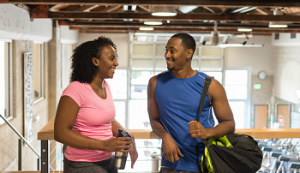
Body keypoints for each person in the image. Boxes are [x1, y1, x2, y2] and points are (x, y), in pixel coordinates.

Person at [147, 33, 235, 173]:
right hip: (171, 163)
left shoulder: (211, 85)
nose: (167, 55)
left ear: (188, 53)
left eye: (172, 50)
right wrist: (165, 136)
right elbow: (154, 119)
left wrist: (207, 132)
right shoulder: (155, 82)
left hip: (203, 164)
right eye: (166, 50)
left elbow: (229, 124)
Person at [54, 36, 138, 173]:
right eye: (111, 58)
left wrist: (128, 138)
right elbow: (60, 133)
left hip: (108, 160)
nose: (116, 63)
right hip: (83, 164)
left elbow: (107, 120)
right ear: (95, 61)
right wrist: (104, 145)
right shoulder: (75, 89)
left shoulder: (105, 86)